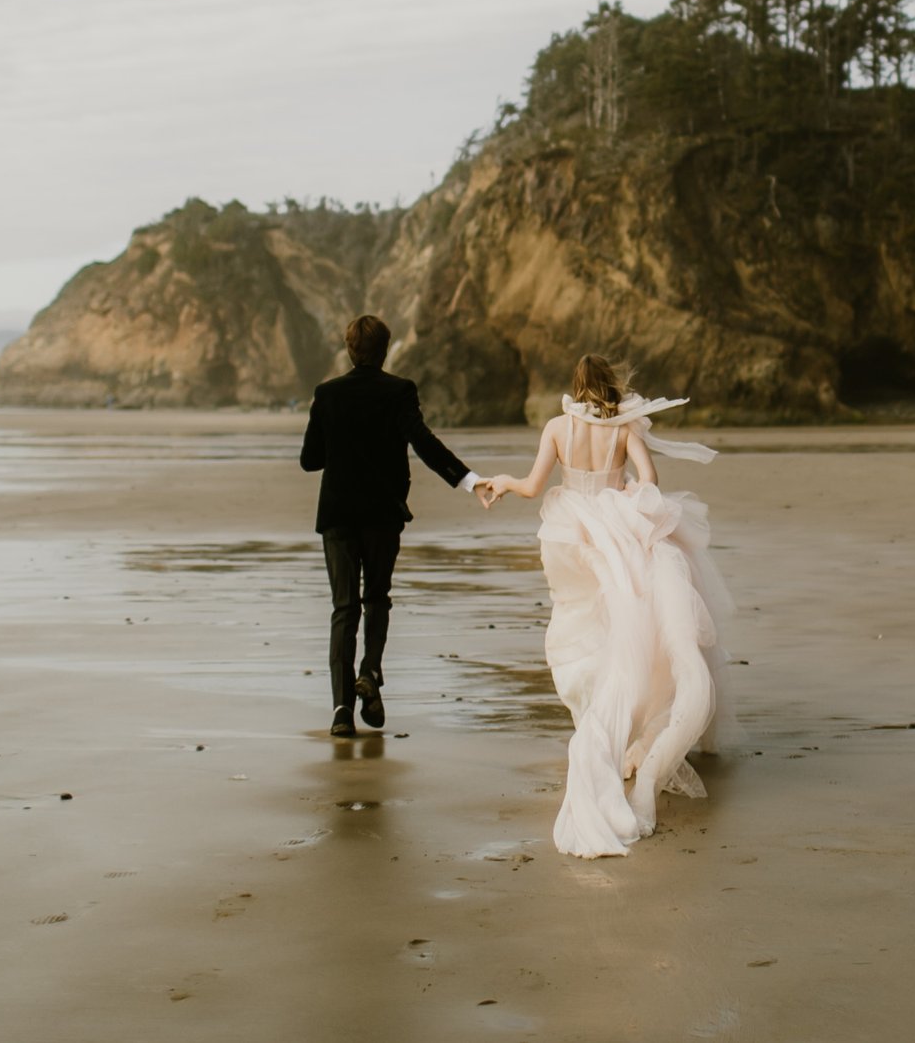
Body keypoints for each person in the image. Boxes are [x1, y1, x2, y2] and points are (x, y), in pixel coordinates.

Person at [480, 354, 739, 857]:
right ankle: (630, 735)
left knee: (582, 626)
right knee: (630, 626)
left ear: (574, 386)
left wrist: (501, 483)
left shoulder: (557, 428)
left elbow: (534, 487)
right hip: (615, 533)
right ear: (610, 385)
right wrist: (622, 499)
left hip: (571, 537)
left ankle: (599, 724)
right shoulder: (624, 429)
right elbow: (649, 481)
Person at [298, 314, 489, 738]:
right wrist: (467, 479)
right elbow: (422, 441)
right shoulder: (399, 391)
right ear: (385, 350)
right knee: (377, 598)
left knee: (343, 608)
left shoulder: (327, 394)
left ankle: (342, 711)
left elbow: (310, 460)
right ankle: (370, 671)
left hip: (338, 515)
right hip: (383, 513)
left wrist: (343, 443)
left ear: (350, 350)